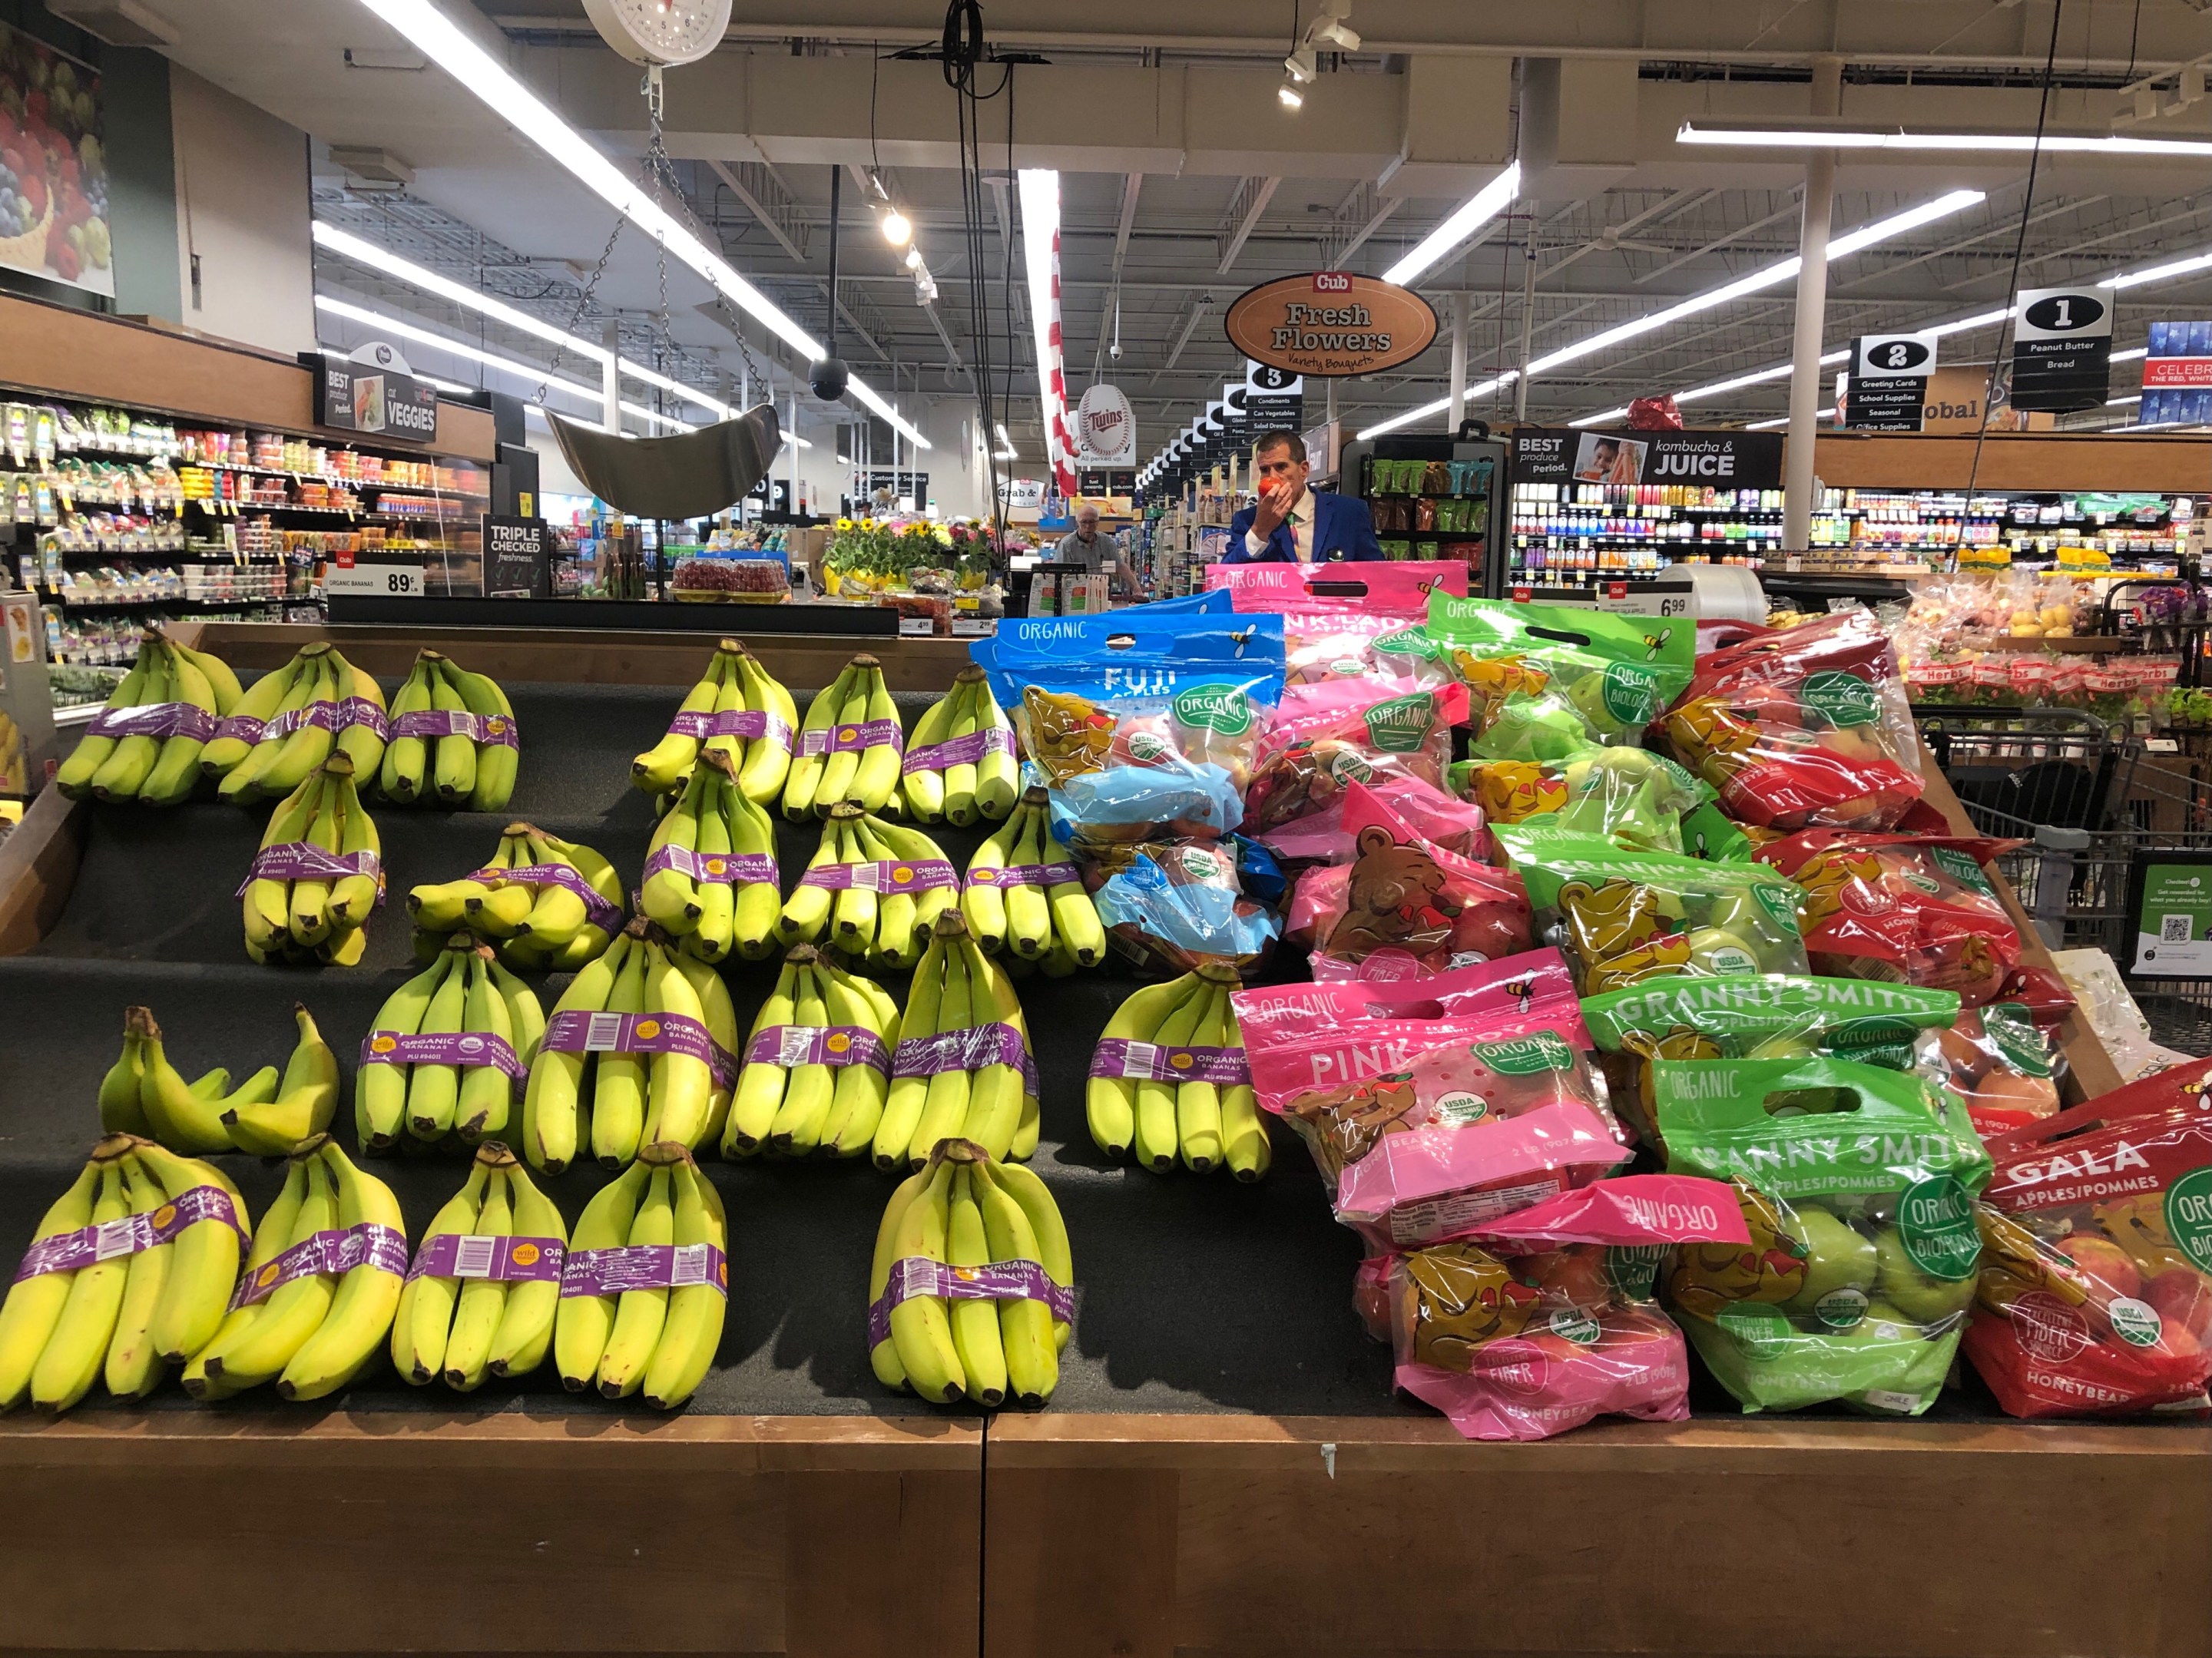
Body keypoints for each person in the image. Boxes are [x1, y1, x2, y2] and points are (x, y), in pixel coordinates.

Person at [1221, 429, 1382, 564]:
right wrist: (1260, 530)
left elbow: (1375, 573)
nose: (1272, 477)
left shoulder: (1349, 513)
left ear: (1304, 470)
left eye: (1281, 467)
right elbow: (1227, 576)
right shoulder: (1247, 521)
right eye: (1265, 470)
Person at [1055, 504, 1135, 596]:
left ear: (1097, 522)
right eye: (1084, 522)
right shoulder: (1067, 545)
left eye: (1091, 522)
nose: (1088, 526)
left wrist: (1136, 589)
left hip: (1102, 595)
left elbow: (1120, 566)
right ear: (1077, 522)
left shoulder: (1107, 542)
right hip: (1076, 596)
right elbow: (1058, 574)